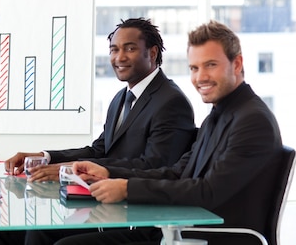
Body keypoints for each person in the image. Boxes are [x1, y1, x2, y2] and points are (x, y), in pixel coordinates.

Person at [55, 20, 283, 245]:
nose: (200, 77)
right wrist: (107, 172)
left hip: (212, 237)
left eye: (211, 65)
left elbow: (208, 192)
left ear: (237, 64)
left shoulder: (252, 120)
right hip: (179, 230)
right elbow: (177, 173)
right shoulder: (218, 116)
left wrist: (126, 188)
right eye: (194, 68)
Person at [0, 18, 196, 245]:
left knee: (42, 236)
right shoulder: (121, 98)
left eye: (130, 49)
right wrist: (45, 158)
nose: (119, 57)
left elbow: (154, 167)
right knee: (3, 230)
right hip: (108, 210)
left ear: (152, 53)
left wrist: (75, 171)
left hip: (141, 220)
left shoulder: (171, 102)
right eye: (114, 50)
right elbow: (99, 150)